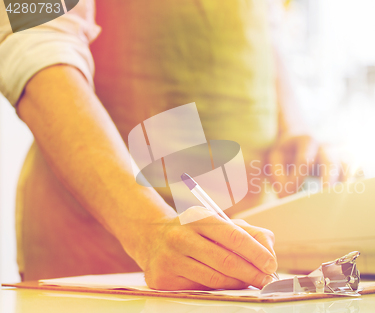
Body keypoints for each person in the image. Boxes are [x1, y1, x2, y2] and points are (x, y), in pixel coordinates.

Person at [0, 0, 334, 290]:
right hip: (103, 252)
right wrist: (148, 228)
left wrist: (293, 124)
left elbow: (263, 24)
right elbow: (35, 40)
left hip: (239, 250)